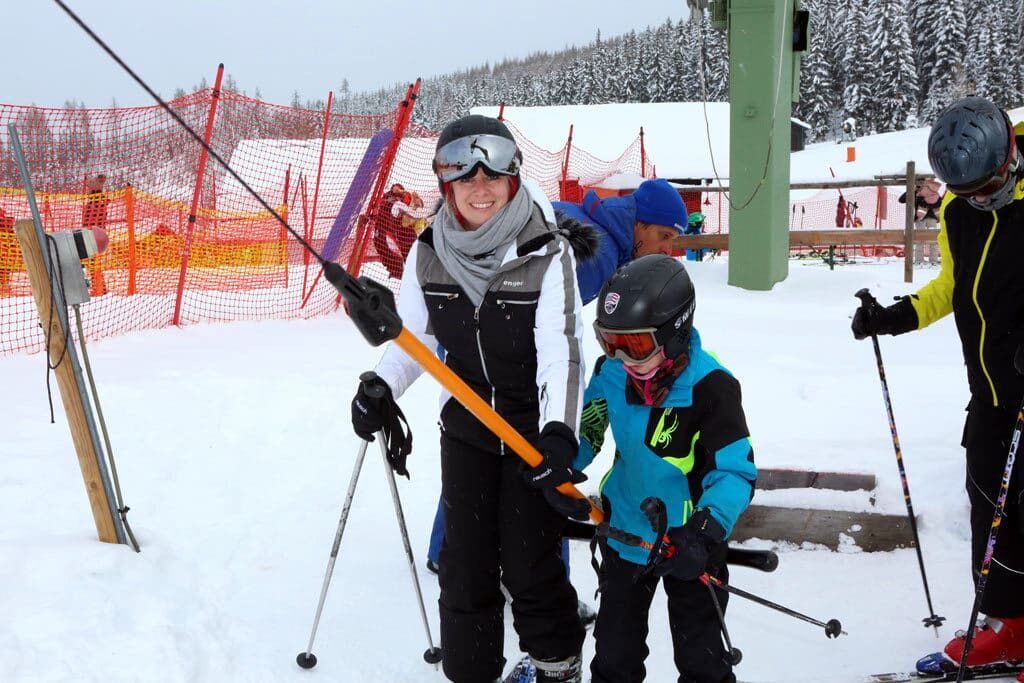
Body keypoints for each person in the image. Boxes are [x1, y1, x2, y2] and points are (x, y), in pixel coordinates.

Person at [350, 114, 587, 683]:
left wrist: (559, 432)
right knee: (464, 566)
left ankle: (557, 665)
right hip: (468, 425)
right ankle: (471, 671)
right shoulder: (429, 250)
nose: (480, 188)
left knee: (531, 564)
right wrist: (382, 382)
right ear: (446, 183)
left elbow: (564, 351)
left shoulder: (545, 250)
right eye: (464, 175)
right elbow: (415, 337)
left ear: (512, 177)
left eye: (494, 174)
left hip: (531, 429)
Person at [850, 96, 1024, 677]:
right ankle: (1006, 624)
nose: (977, 200)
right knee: (992, 510)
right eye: (965, 191)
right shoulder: (957, 212)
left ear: (1007, 160)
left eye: (985, 188)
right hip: (994, 393)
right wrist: (894, 317)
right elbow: (954, 285)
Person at [565, 254, 756, 683]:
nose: (620, 356)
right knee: (614, 657)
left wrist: (706, 531)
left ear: (673, 334)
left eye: (634, 345)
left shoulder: (711, 387)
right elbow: (589, 430)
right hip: (626, 536)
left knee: (702, 661)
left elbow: (735, 472)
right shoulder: (612, 372)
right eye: (609, 341)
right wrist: (560, 464)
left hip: (689, 545)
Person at [552, 177, 690, 304]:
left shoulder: (579, 214)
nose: (668, 250)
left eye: (672, 240)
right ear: (638, 223)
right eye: (664, 236)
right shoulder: (599, 257)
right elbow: (547, 321)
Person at [371, 182, 421, 280]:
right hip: (385, 237)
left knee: (398, 262)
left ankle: (400, 274)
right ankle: (402, 275)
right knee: (398, 264)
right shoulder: (397, 204)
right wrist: (416, 207)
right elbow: (415, 216)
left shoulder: (385, 202)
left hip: (380, 238)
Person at [897, 178, 943, 265]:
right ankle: (932, 261)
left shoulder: (918, 192)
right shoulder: (933, 191)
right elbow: (940, 203)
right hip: (931, 218)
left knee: (921, 240)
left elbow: (901, 200)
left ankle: (920, 260)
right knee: (931, 239)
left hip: (920, 218)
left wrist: (914, 191)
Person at [81, 173, 108, 296]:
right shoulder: (99, 204)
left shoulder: (95, 205)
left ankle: (99, 288)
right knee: (94, 265)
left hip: (93, 238)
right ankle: (99, 287)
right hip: (96, 237)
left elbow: (88, 222)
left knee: (93, 265)